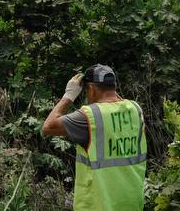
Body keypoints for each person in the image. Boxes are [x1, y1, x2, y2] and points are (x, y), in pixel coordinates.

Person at [41, 64, 146, 211]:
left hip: (98, 206)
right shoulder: (135, 109)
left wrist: (69, 96)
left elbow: (48, 127)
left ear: (91, 88)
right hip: (132, 203)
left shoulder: (90, 116)